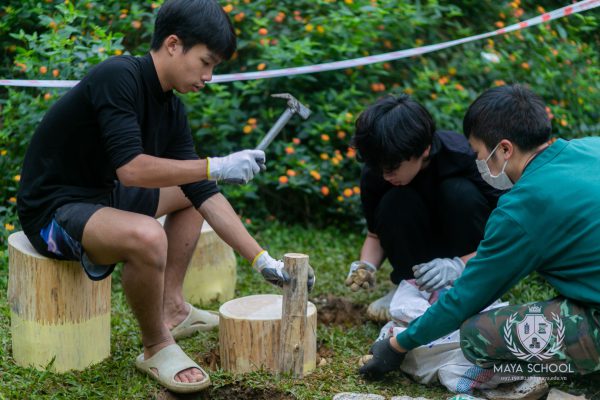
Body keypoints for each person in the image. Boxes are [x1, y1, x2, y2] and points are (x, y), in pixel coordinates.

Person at [16, 0, 313, 394]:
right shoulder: (118, 77)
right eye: (205, 62)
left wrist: (262, 260)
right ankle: (156, 345)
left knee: (191, 194)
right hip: (53, 210)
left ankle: (173, 307)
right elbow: (133, 169)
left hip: (103, 197)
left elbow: (202, 189)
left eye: (215, 67)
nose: (209, 76)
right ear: (173, 44)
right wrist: (215, 164)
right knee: (147, 234)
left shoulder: (172, 109)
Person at [359, 84, 600, 382]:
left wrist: (396, 346)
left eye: (478, 153)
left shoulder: (522, 208)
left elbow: (464, 299)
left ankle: (559, 374)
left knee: (477, 334)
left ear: (504, 149)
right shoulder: (592, 146)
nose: (475, 161)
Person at [347, 94, 502, 321]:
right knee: (395, 202)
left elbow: (507, 232)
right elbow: (374, 234)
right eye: (379, 167)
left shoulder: (465, 156)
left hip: (465, 253)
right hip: (417, 258)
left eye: (392, 167)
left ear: (425, 150)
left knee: (459, 192)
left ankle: (468, 286)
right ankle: (409, 288)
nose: (385, 175)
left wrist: (458, 265)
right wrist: (366, 266)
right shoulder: (378, 170)